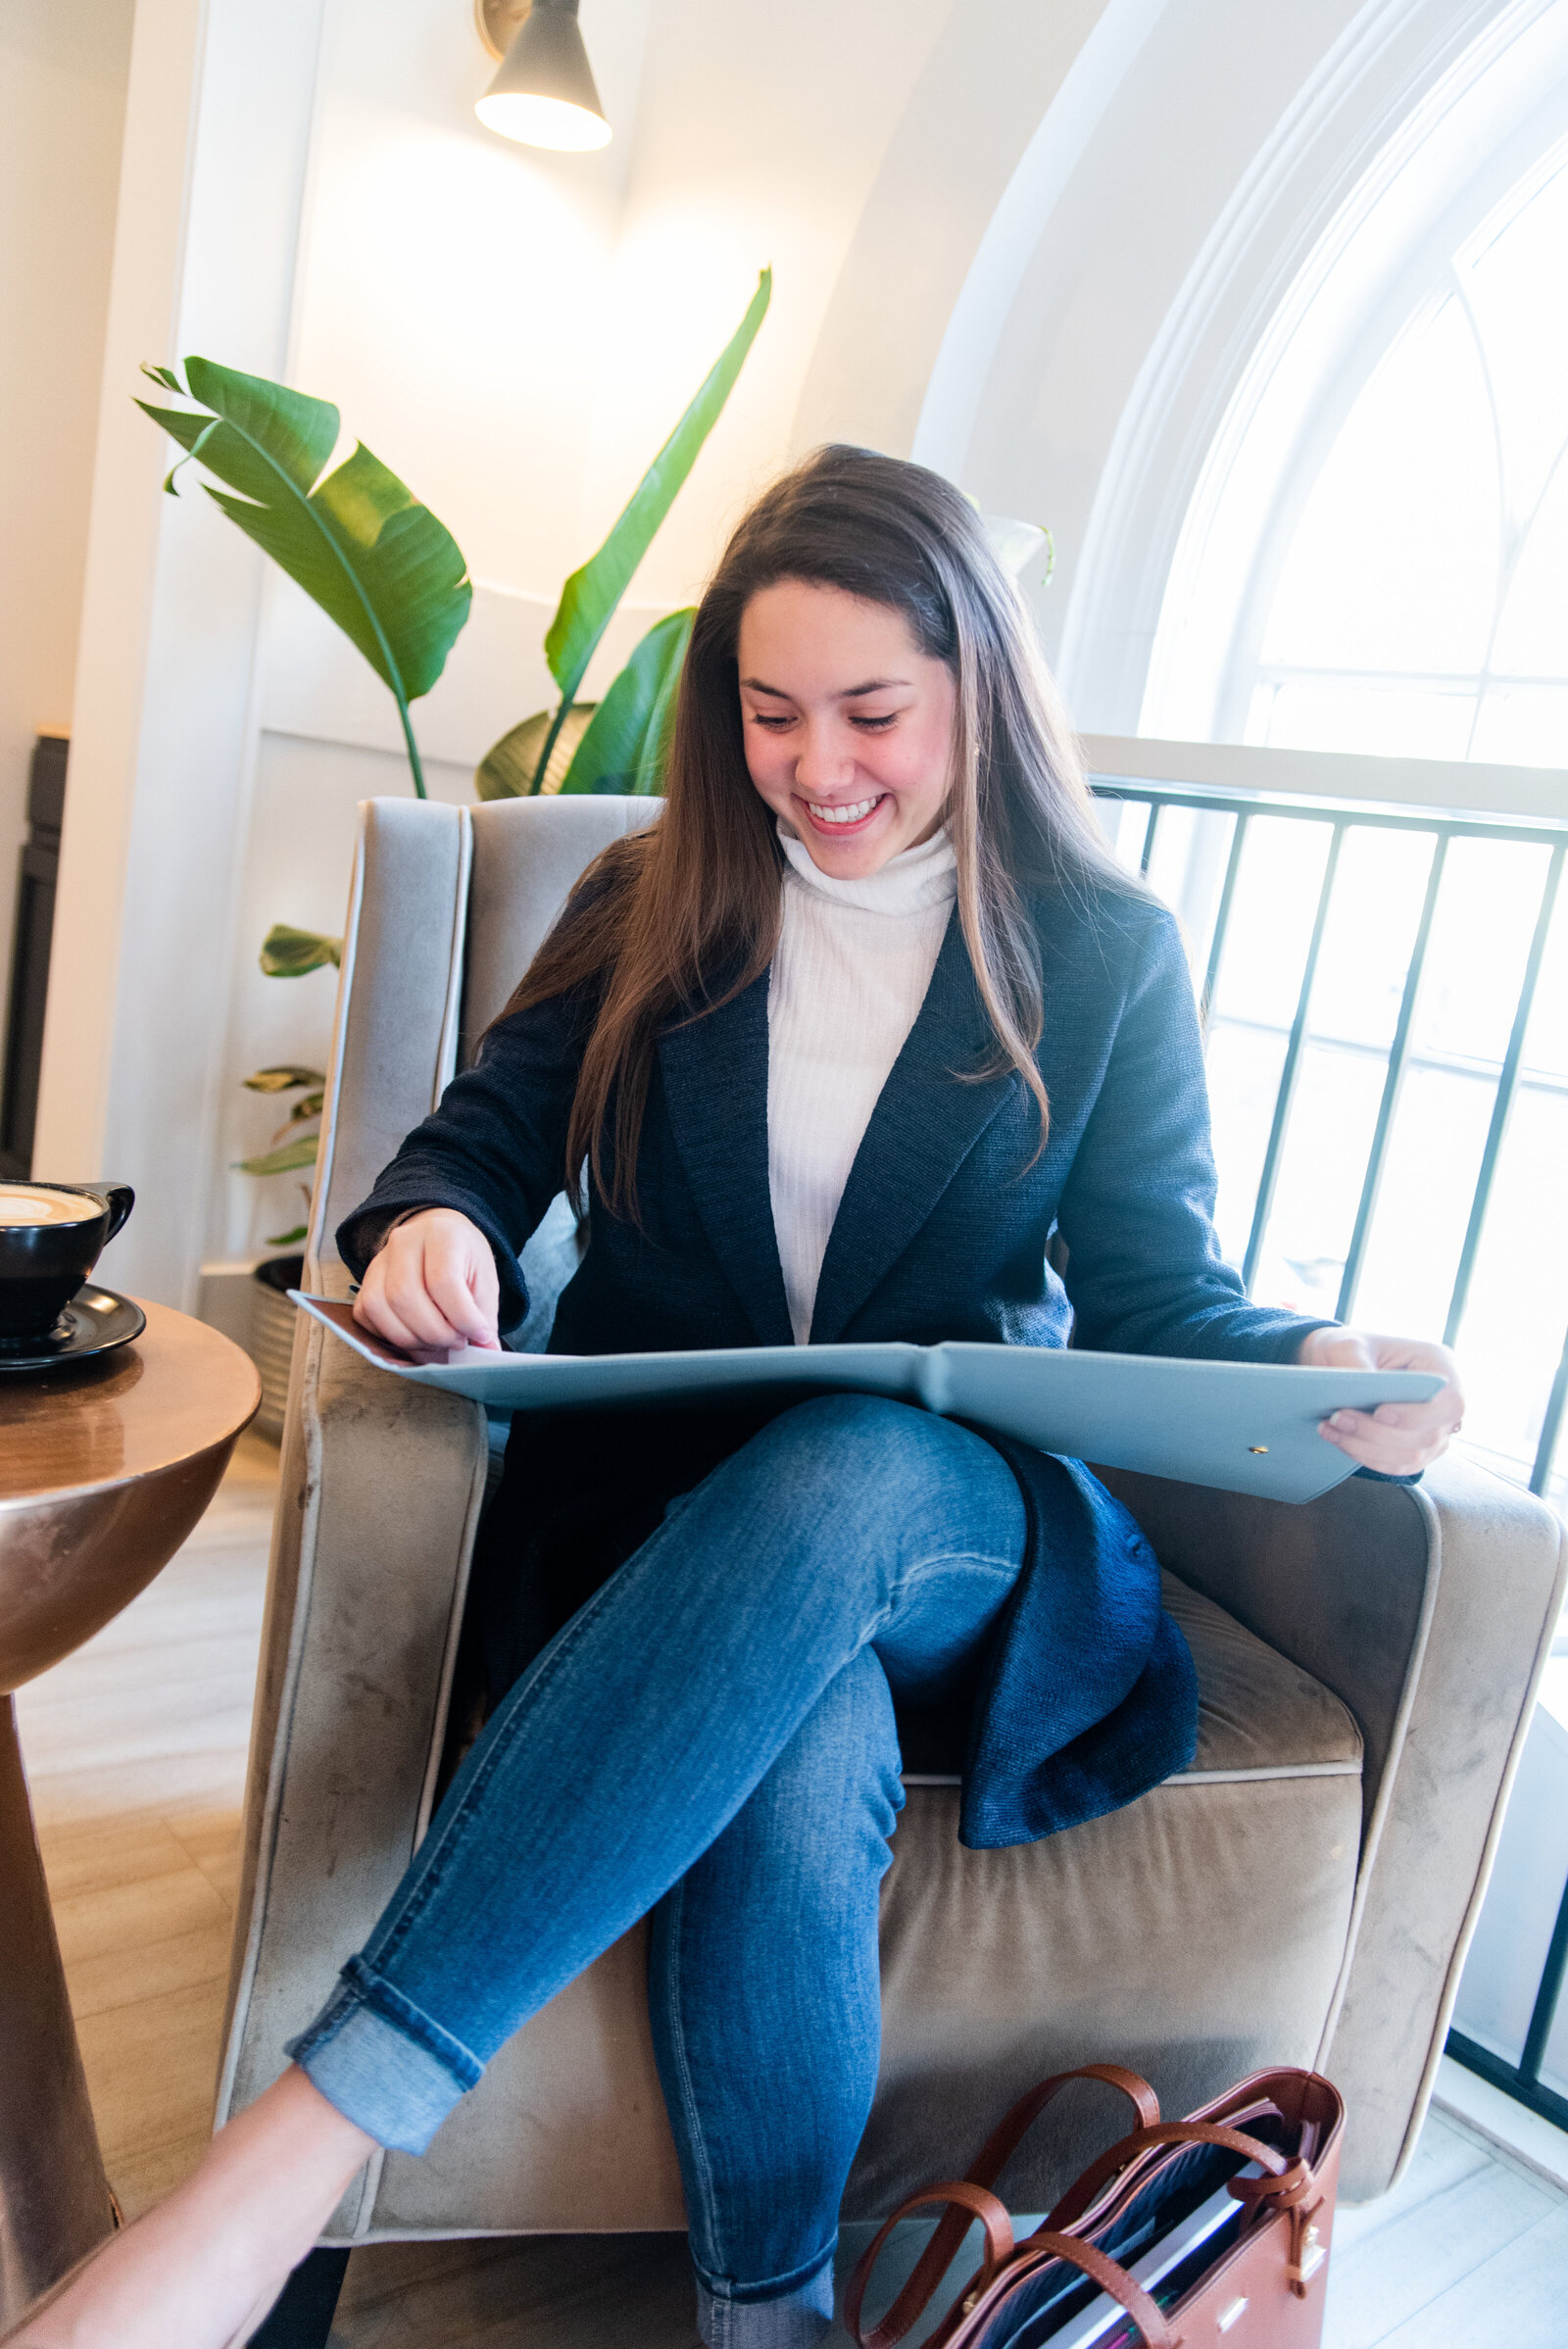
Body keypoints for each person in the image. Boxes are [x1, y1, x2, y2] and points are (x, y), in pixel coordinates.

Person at [8, 447, 1462, 2349]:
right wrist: (435, 1224)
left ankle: (275, 2172)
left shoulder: (1100, 953)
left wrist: (1308, 1359)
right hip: (660, 1542)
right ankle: (766, 2321)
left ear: (974, 692)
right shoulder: (652, 892)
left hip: (949, 1530)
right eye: (771, 713)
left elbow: (1152, 1292)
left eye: (871, 710)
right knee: (792, 1751)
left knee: (852, 1456)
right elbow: (474, 1141)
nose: (816, 763)